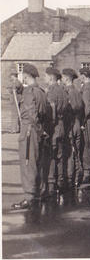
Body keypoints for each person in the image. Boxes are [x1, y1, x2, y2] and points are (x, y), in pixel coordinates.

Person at [11, 63, 50, 210]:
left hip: (30, 130)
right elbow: (43, 113)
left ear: (26, 76)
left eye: (23, 76)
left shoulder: (29, 92)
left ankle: (29, 197)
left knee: (28, 163)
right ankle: (39, 193)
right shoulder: (40, 91)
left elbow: (32, 115)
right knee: (38, 162)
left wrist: (39, 130)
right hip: (37, 130)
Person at [44, 67, 68, 196]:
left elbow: (51, 110)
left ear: (51, 77)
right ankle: (61, 182)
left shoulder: (52, 91)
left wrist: (48, 128)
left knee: (51, 156)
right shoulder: (63, 91)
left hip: (53, 127)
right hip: (62, 125)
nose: (44, 79)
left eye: (45, 77)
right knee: (60, 155)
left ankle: (51, 185)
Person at [61, 68, 84, 188]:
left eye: (63, 77)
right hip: (77, 123)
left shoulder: (69, 92)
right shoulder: (77, 91)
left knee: (70, 152)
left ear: (66, 78)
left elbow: (73, 108)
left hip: (70, 124)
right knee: (76, 152)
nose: (62, 80)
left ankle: (70, 179)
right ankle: (75, 178)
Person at [79, 67, 90, 183]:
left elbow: (86, 107)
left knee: (86, 146)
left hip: (87, 121)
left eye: (81, 76)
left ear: (84, 76)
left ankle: (87, 172)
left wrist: (82, 122)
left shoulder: (87, 88)